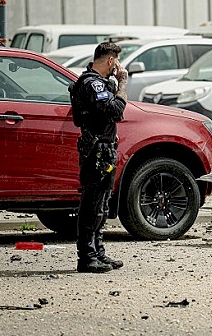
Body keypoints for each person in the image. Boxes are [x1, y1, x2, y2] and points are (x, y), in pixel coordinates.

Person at [69, 42, 128, 273]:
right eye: (118, 61)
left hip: (105, 152)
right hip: (96, 152)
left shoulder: (100, 83)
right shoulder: (92, 83)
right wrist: (122, 83)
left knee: (102, 202)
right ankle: (87, 256)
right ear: (111, 61)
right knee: (92, 204)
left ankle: (99, 252)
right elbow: (115, 109)